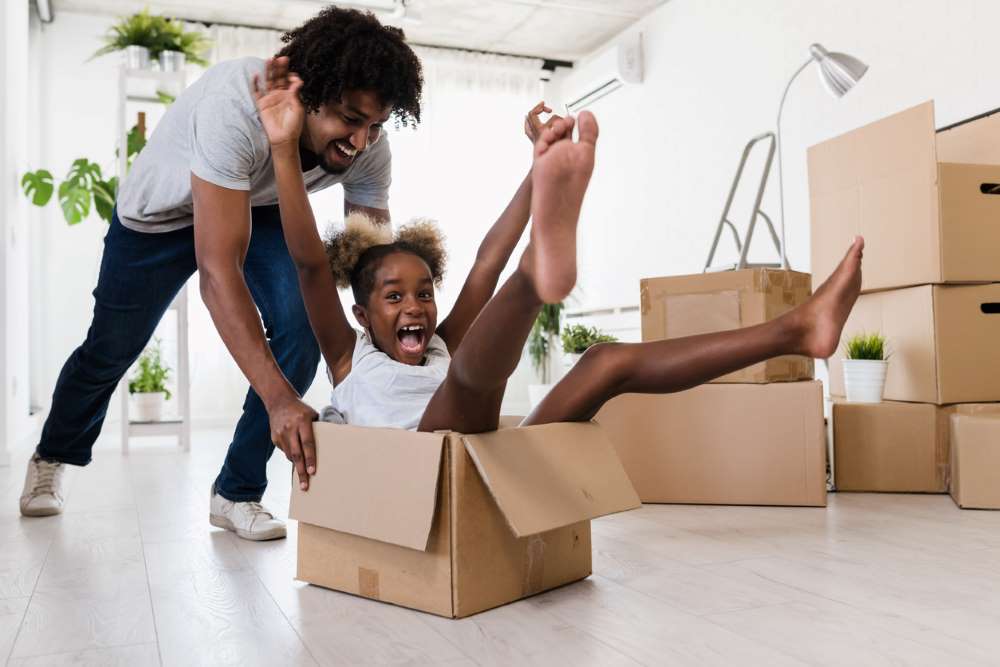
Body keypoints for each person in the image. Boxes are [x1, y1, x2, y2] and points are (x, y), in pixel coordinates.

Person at [251, 58, 864, 454]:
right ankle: (536, 274)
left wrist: (536, 170)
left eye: (423, 293)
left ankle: (797, 329)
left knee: (604, 362)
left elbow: (485, 261)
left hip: (484, 458)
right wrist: (283, 148)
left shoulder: (440, 342)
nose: (415, 307)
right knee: (463, 384)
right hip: (426, 467)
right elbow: (308, 263)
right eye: (393, 297)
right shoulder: (347, 358)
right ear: (361, 316)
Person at [19, 7, 422, 541]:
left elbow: (374, 270)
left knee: (301, 327)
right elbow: (218, 272)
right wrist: (280, 400)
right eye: (350, 119)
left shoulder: (368, 147)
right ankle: (53, 454)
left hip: (258, 204)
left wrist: (392, 363)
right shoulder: (238, 102)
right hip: (158, 218)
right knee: (111, 347)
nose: (361, 141)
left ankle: (236, 491)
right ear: (309, 92)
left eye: (376, 125)